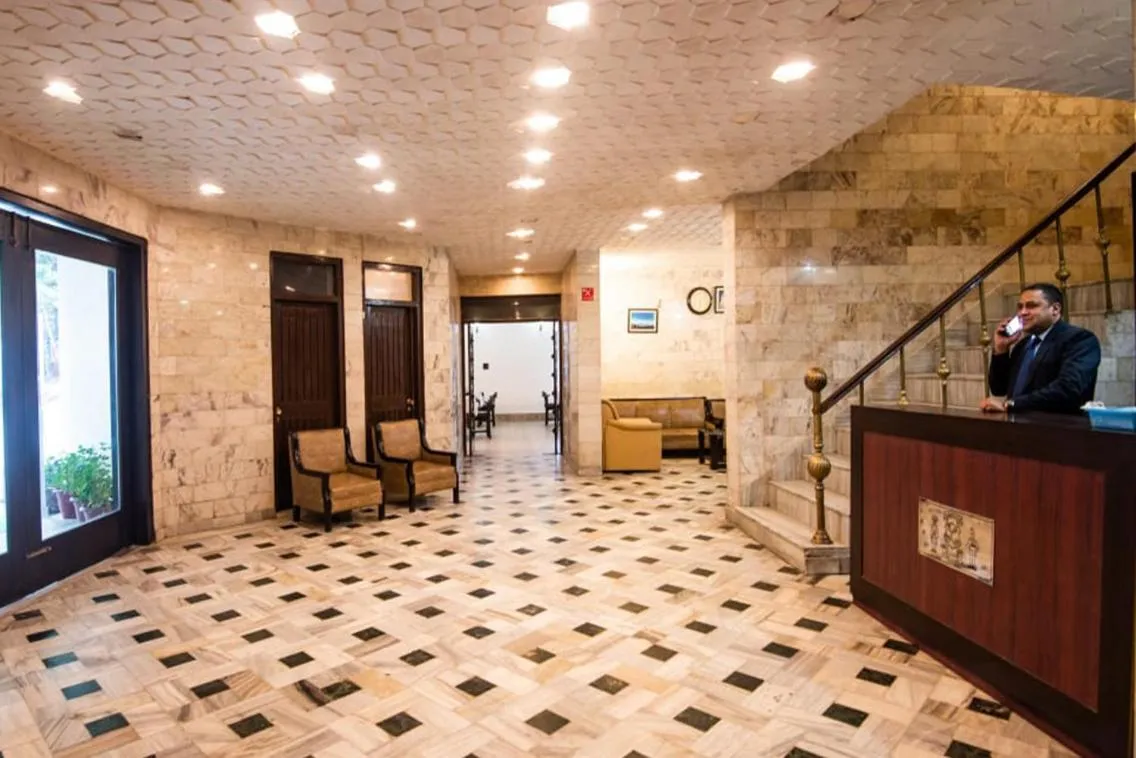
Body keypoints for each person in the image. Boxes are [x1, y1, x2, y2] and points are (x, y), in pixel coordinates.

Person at [980, 282, 1100, 414]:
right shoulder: (1022, 345)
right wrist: (1001, 350)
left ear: (1055, 309)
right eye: (1020, 307)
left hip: (1059, 429)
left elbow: (1068, 389)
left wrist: (1013, 404)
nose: (1022, 313)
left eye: (1031, 306)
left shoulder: (1079, 339)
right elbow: (999, 389)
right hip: (1020, 428)